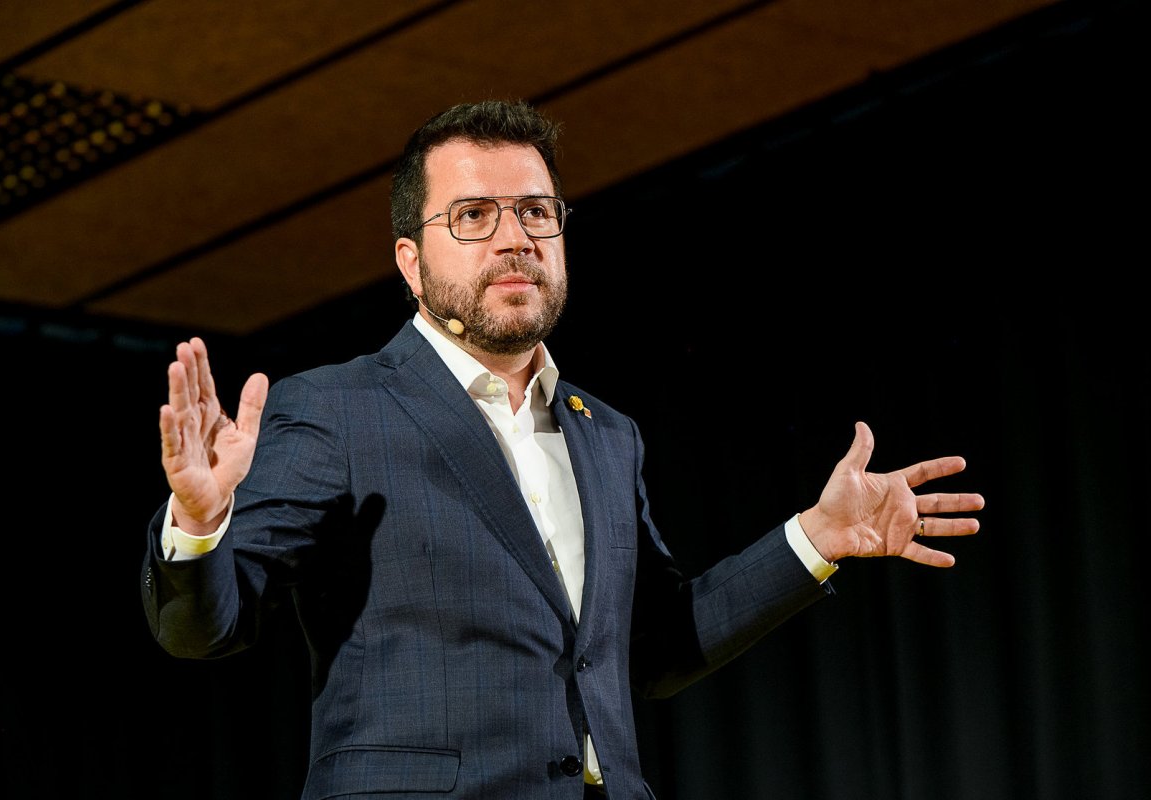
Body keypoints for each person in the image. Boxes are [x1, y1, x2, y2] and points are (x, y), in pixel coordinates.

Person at [142, 99, 984, 800]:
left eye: (536, 212)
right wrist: (199, 520)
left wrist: (814, 538)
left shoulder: (606, 435)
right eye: (473, 216)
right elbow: (201, 630)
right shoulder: (338, 410)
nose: (515, 239)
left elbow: (652, 650)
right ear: (410, 261)